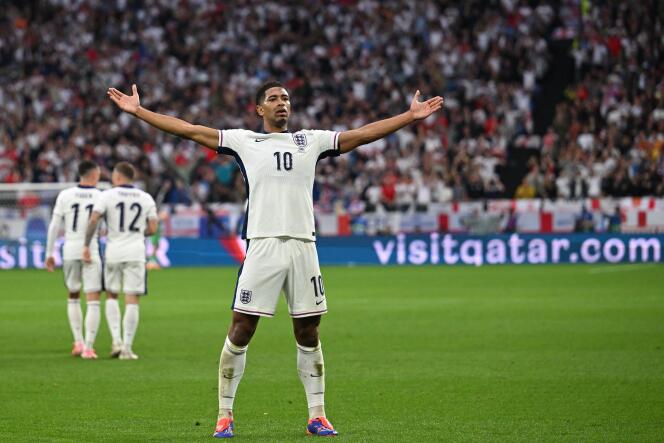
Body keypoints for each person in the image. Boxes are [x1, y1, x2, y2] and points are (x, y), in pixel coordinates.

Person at [107, 81, 443, 437]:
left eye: (285, 98)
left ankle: (317, 415)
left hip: (303, 245)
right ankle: (225, 414)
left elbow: (359, 136)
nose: (281, 103)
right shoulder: (244, 141)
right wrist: (140, 112)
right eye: (273, 99)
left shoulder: (310, 140)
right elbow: (189, 130)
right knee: (241, 328)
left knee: (308, 330)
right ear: (259, 109)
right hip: (263, 245)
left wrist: (409, 116)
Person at [83, 162, 158, 360]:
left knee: (111, 295)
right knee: (132, 299)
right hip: (135, 252)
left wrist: (86, 245)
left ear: (116, 177)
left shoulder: (106, 195)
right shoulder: (145, 197)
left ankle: (115, 340)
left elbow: (93, 220)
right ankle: (127, 348)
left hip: (114, 251)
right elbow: (153, 228)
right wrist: (137, 233)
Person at [45, 160, 104, 359]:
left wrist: (49, 253)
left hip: (70, 249)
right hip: (91, 250)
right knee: (93, 299)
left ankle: (78, 342)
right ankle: (89, 347)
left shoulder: (65, 195)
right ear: (94, 175)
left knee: (73, 295)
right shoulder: (101, 195)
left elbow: (54, 225)